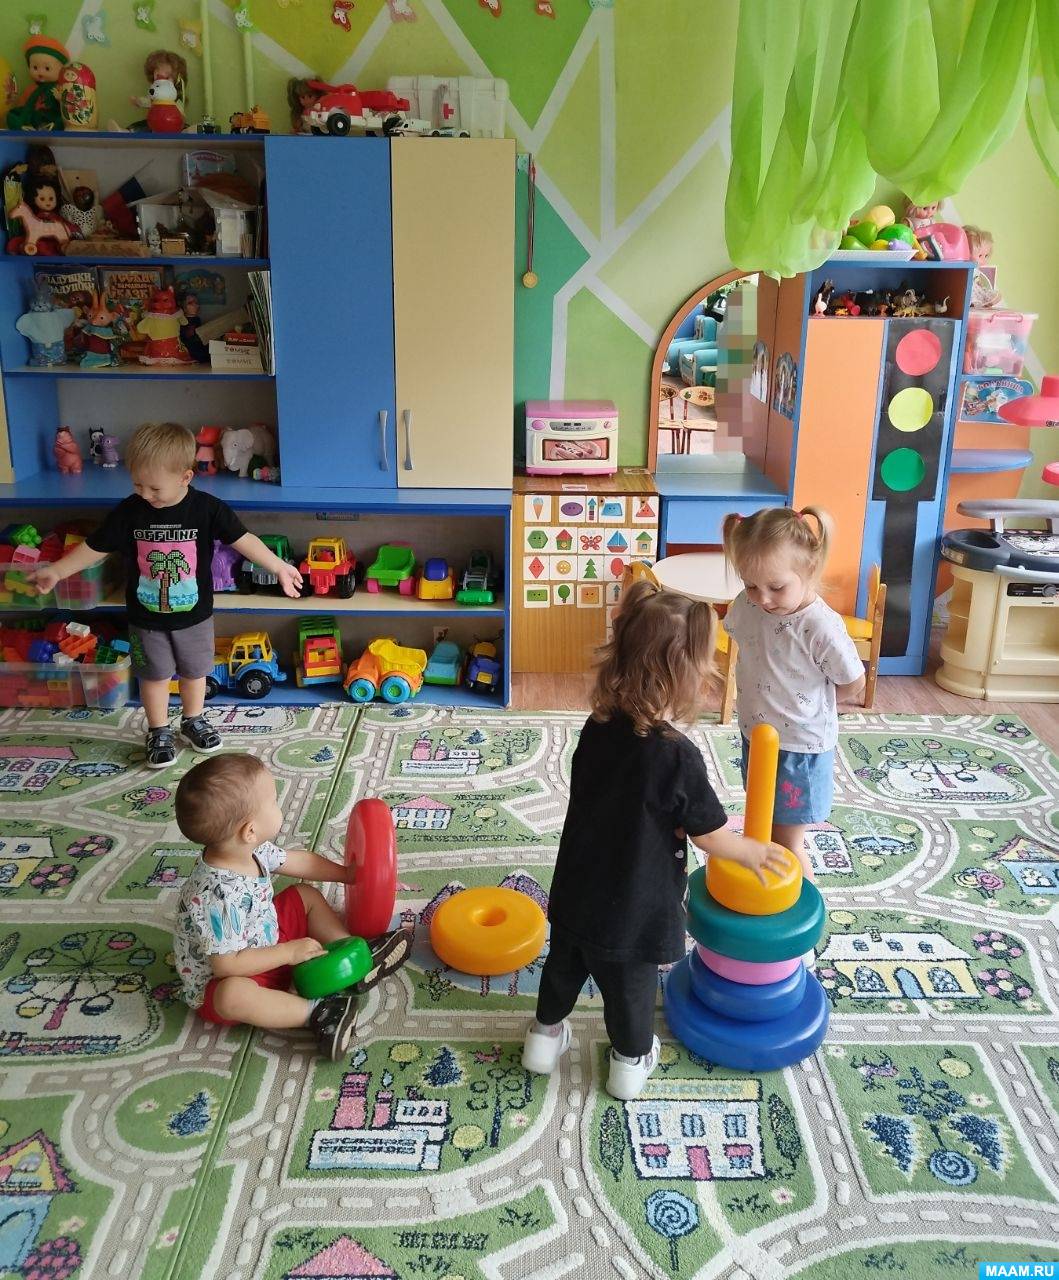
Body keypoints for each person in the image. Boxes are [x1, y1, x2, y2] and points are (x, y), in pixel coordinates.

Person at [521, 580, 790, 1100]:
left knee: (562, 967)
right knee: (630, 987)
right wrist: (752, 850)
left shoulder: (597, 725)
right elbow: (710, 835)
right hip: (634, 905)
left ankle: (543, 1039)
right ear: (685, 676)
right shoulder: (677, 756)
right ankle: (629, 1062)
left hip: (577, 887)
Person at [27, 421, 302, 768]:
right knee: (154, 676)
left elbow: (243, 540)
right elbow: (95, 546)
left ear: (186, 477)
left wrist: (278, 566)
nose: (145, 494)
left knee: (195, 672)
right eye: (137, 484)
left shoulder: (208, 509)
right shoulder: (130, 511)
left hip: (194, 616)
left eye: (154, 487)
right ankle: (158, 730)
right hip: (146, 618)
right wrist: (57, 570)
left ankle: (193, 720)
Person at [173, 754, 411, 1060]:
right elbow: (227, 965)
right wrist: (288, 953)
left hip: (265, 936)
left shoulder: (250, 849)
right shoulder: (216, 897)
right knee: (231, 996)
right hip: (236, 974)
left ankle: (350, 954)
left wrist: (347, 874)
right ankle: (318, 1012)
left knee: (304, 894)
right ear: (249, 830)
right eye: (273, 801)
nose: (279, 805)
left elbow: (301, 862)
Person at [721, 506, 865, 879]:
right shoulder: (746, 605)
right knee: (761, 830)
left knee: (787, 844)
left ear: (810, 570)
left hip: (800, 746)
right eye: (751, 585)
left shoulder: (819, 626)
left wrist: (815, 705)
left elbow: (853, 682)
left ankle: (806, 905)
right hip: (756, 734)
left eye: (776, 587)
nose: (763, 598)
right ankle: (766, 896)